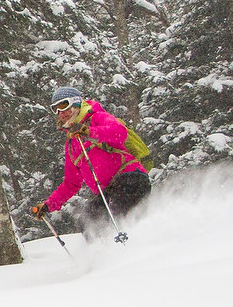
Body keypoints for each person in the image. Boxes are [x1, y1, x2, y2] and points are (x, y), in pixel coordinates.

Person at [32, 86, 151, 237]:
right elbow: (71, 183)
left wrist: (89, 131)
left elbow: (120, 133)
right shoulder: (72, 144)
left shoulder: (96, 118)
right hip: (108, 191)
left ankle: (137, 244)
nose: (61, 112)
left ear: (76, 103)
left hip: (130, 177)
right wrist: (49, 205)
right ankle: (105, 250)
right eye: (55, 109)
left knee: (117, 214)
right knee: (88, 222)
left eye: (63, 105)